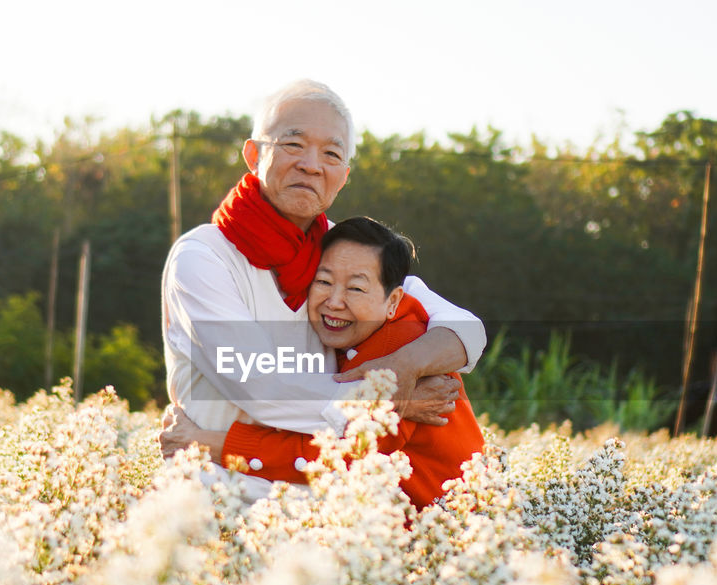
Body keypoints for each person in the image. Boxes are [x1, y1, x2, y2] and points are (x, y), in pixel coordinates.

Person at [160, 80, 484, 498]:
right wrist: (387, 404)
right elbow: (264, 388)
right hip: (216, 495)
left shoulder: (340, 250)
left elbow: (465, 327)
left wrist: (405, 366)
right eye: (292, 145)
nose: (311, 165)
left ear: (343, 177)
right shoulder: (203, 257)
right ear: (254, 154)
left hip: (315, 506)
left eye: (331, 154)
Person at [163, 217, 484, 509]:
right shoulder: (359, 333)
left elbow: (329, 457)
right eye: (323, 282)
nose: (334, 302)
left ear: (392, 302)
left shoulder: (400, 342)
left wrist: (207, 444)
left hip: (441, 537)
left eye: (355, 288)